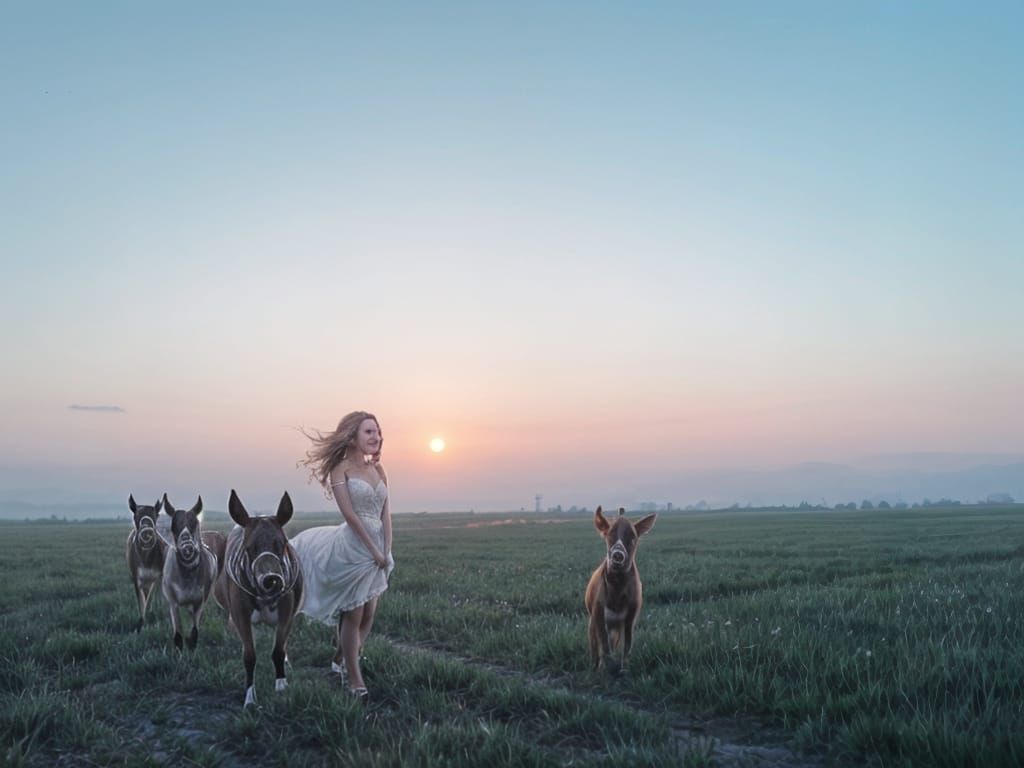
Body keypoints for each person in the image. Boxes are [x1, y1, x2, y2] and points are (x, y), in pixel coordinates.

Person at [291, 411, 394, 700]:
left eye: (377, 431)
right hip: (353, 546)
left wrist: (386, 548)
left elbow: (386, 513)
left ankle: (342, 658)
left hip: (379, 546)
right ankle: (354, 679)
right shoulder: (341, 470)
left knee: (370, 611)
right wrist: (372, 550)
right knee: (354, 612)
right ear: (352, 437)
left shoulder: (379, 470)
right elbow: (350, 515)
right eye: (369, 432)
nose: (376, 436)